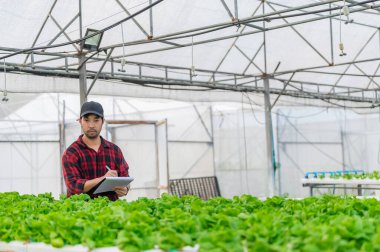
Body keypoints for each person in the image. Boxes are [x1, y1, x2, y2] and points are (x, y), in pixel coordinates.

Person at [62, 101, 130, 201]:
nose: (91, 125)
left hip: (111, 212)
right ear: (80, 121)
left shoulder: (114, 150)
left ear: (103, 121)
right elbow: (74, 186)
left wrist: (125, 189)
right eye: (87, 120)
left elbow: (125, 178)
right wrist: (103, 179)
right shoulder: (71, 153)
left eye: (96, 120)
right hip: (80, 213)